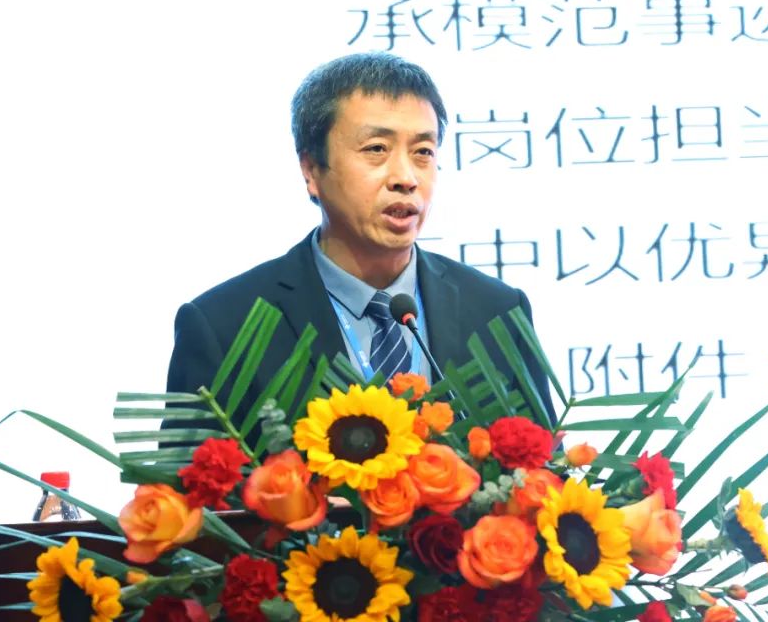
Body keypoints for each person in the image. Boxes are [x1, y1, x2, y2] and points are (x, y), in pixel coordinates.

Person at [165, 53, 556, 444]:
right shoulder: (224, 326)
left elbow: (542, 469)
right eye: (376, 149)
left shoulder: (496, 311)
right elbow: (193, 480)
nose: (406, 178)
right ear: (311, 170)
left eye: (423, 152)